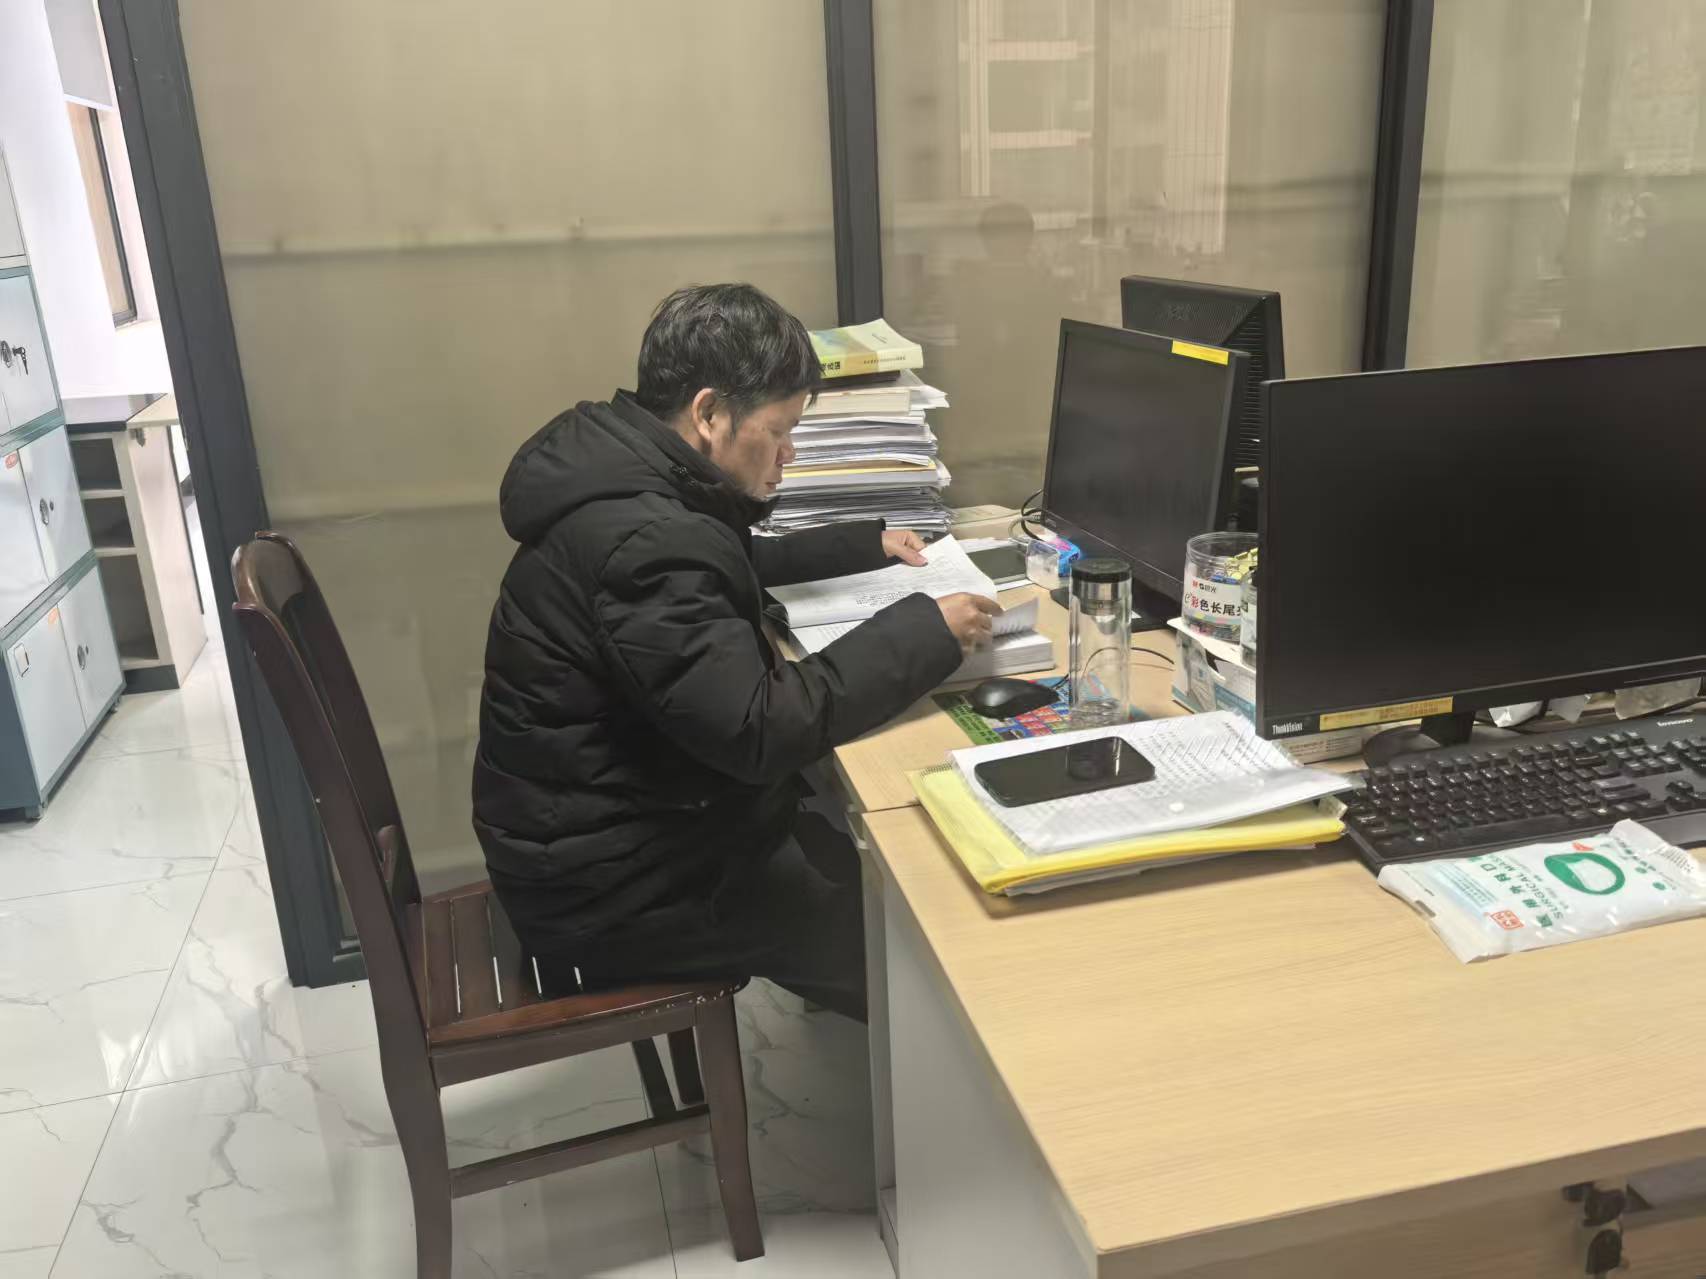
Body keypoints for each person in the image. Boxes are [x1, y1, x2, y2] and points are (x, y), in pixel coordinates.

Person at [472, 283, 999, 1021]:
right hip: (619, 893)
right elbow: (759, 730)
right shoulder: (647, 540)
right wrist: (926, 632)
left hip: (605, 838)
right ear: (710, 413)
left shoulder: (623, 481)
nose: (789, 454)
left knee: (871, 864)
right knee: (921, 941)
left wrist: (860, 543)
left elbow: (722, 559)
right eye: (780, 430)